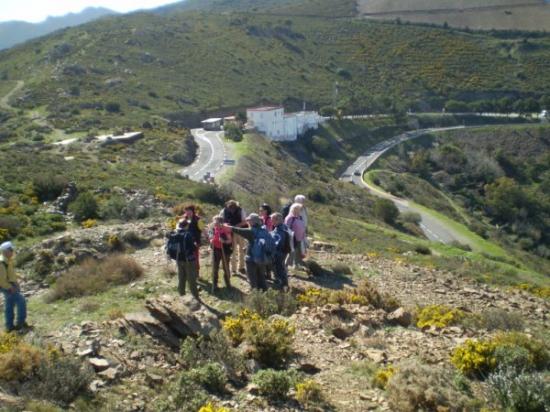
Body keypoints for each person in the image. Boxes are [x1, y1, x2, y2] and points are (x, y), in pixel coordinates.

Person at [225, 213, 269, 291]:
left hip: (251, 258)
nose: (247, 222)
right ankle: (264, 292)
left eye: (249, 220)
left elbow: (237, 230)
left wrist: (226, 227)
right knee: (261, 276)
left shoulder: (250, 231)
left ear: (253, 222)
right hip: (262, 257)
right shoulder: (264, 230)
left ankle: (256, 295)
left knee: (252, 278)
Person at [0, 241, 28, 332]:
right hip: (8, 287)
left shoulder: (7, 260)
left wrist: (20, 277)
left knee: (9, 305)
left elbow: (11, 273)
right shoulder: (2, 263)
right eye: (11, 249)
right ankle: (20, 323)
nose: (13, 251)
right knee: (21, 300)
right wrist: (10, 287)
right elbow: (1, 280)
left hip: (10, 286)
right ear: (5, 251)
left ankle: (9, 326)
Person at [169, 219, 199, 298]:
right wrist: (195, 244)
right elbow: (192, 248)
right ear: (186, 226)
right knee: (191, 279)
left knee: (181, 278)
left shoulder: (175, 233)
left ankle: (182, 295)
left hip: (178, 259)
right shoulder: (187, 234)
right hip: (188, 260)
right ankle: (195, 297)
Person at [220, 200, 247, 275]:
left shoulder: (241, 210)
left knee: (242, 249)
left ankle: (241, 267)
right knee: (233, 250)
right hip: (229, 233)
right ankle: (233, 269)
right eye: (230, 208)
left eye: (233, 207)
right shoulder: (223, 211)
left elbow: (244, 222)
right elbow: (220, 220)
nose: (231, 209)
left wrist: (234, 227)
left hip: (240, 231)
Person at [208, 216, 232, 292]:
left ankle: (228, 282)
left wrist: (224, 241)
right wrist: (211, 240)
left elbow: (230, 241)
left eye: (217, 223)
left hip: (225, 250)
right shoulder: (212, 228)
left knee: (226, 267)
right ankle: (215, 284)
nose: (215, 224)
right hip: (216, 249)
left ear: (221, 223)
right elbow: (210, 235)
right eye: (214, 222)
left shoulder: (226, 229)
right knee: (215, 267)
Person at [270, 213, 291, 289]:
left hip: (279, 252)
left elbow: (278, 243)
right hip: (284, 251)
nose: (271, 221)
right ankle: (283, 283)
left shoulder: (280, 230)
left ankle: (283, 285)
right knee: (281, 267)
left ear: (277, 220)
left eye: (272, 220)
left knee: (279, 268)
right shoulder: (284, 227)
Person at [181, 205, 204, 271]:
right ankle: (189, 273)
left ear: (193, 211)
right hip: (185, 241)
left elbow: (203, 229)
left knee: (195, 257)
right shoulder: (184, 219)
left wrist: (209, 238)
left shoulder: (198, 219)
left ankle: (196, 273)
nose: (187, 213)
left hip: (195, 242)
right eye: (186, 211)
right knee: (186, 257)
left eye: (189, 211)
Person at [285, 203, 306, 268]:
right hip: (292, 239)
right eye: (298, 209)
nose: (300, 211)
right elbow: (286, 228)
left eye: (300, 209)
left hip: (299, 238)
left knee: (298, 253)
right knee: (291, 253)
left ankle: (296, 265)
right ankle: (285, 266)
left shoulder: (300, 217)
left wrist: (303, 235)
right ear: (294, 209)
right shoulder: (290, 217)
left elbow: (302, 227)